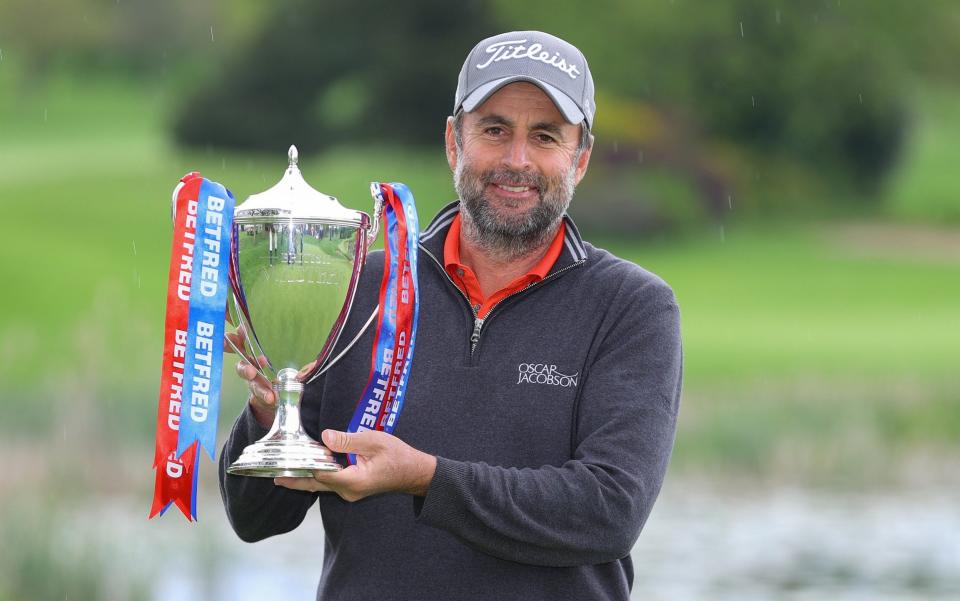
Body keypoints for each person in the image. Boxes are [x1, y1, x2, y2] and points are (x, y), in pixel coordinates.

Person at [220, 30, 682, 601]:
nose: (517, 161)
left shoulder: (631, 306)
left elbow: (607, 511)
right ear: (453, 141)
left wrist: (427, 479)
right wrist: (270, 415)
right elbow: (255, 518)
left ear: (580, 158)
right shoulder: (360, 284)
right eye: (494, 130)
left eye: (544, 136)